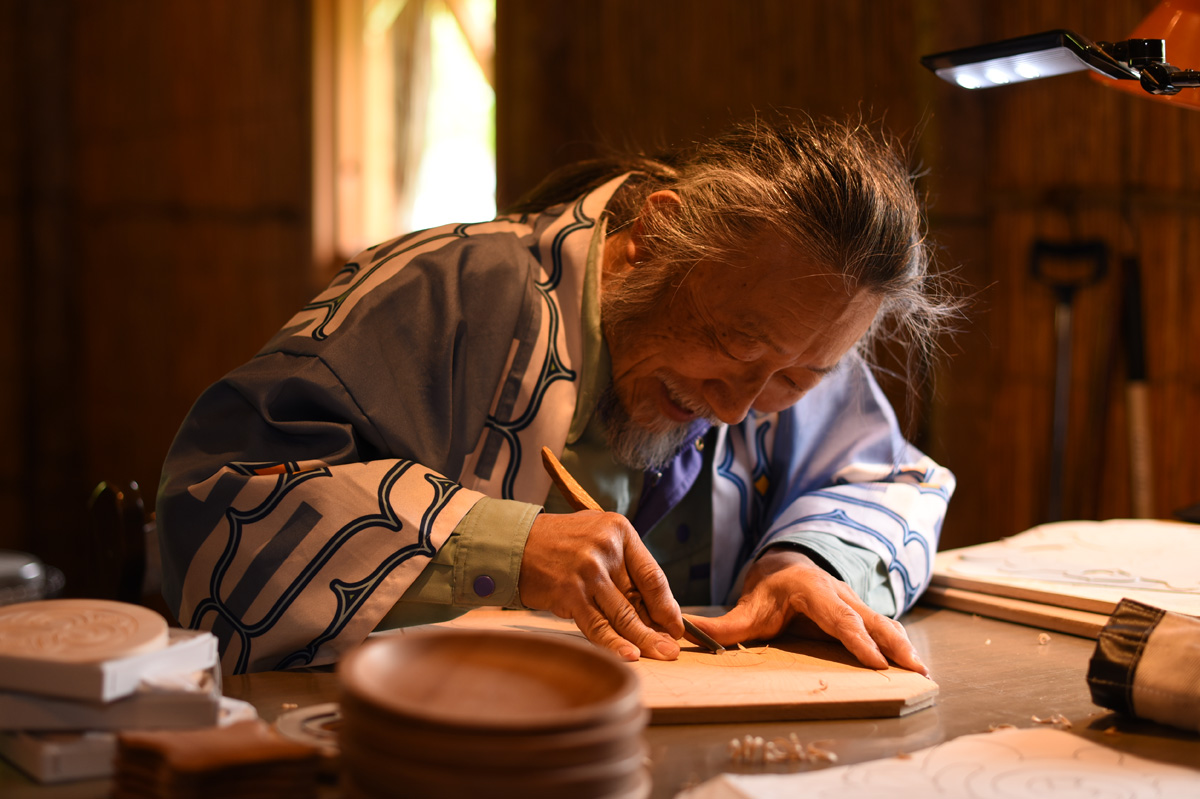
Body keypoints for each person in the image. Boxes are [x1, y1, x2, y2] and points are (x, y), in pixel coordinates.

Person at [158, 115, 958, 675]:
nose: (737, 406)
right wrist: (500, 549)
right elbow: (215, 515)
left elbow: (891, 478)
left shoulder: (802, 326)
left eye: (796, 378)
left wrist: (806, 563)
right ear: (652, 236)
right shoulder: (445, 293)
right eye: (730, 345)